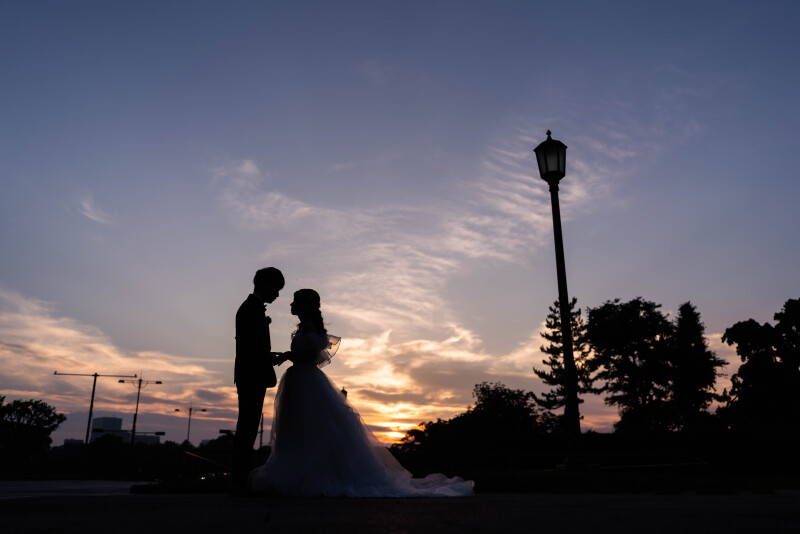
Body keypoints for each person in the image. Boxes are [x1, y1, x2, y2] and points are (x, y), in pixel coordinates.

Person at [249, 289, 474, 497]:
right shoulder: (308, 327)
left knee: (307, 427)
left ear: (304, 306)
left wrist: (287, 356)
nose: (290, 304)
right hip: (300, 380)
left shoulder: (308, 328)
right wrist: (288, 356)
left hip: (304, 381)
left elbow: (309, 357)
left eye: (295, 301)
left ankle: (306, 474)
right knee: (301, 428)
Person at [232, 267, 285, 494]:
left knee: (248, 426)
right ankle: (240, 481)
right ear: (266, 285)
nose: (278, 295)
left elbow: (252, 347)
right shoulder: (250, 309)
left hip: (251, 373)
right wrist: (268, 359)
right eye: (276, 289)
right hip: (251, 375)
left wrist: (267, 357)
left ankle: (241, 479)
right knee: (247, 427)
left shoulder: (251, 308)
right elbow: (250, 348)